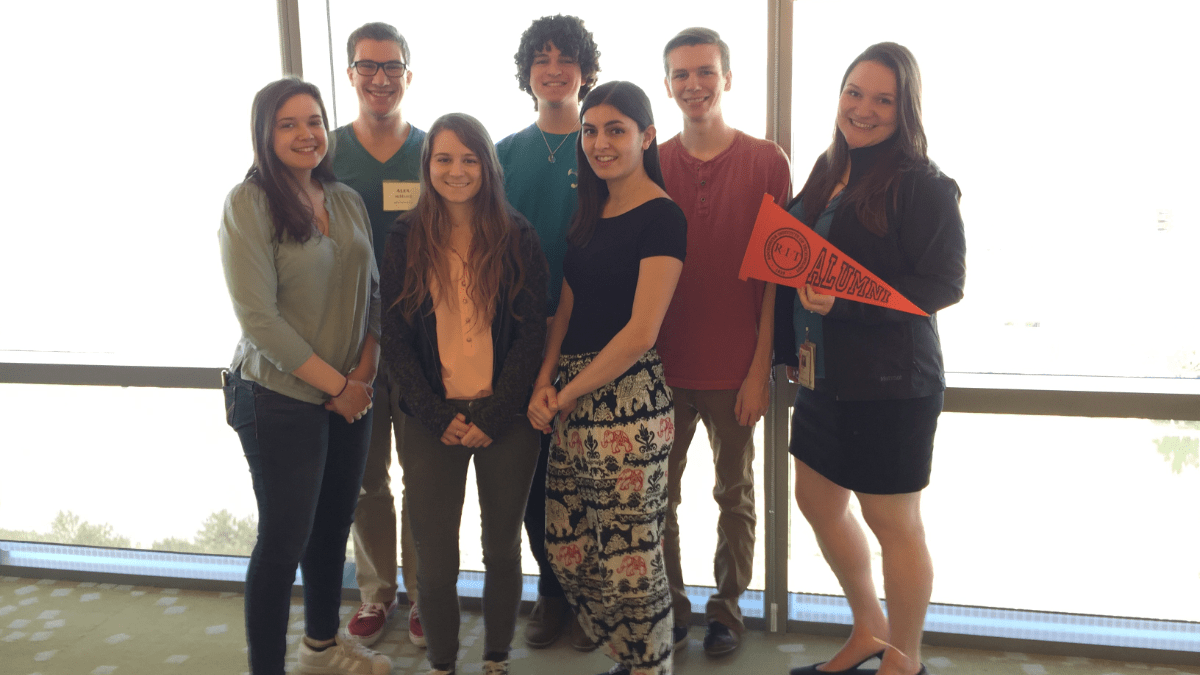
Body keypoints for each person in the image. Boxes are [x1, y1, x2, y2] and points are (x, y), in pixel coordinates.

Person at [775, 42, 966, 675]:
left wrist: (848, 304)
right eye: (854, 92)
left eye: (883, 99)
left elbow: (943, 286)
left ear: (905, 109)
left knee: (893, 520)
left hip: (893, 382)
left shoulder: (923, 184)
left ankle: (903, 662)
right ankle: (870, 629)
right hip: (823, 375)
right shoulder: (831, 170)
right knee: (817, 500)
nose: (864, 108)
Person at [219, 77, 392, 675]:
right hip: (277, 396)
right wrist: (337, 387)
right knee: (283, 541)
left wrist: (363, 375)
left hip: (350, 391)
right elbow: (258, 318)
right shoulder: (249, 203)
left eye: (314, 120)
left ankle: (321, 647)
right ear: (266, 134)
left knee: (332, 527)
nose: (305, 133)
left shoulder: (344, 199)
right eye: (288, 123)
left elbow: (374, 291)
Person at [379, 113, 549, 675]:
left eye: (469, 159)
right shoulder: (405, 236)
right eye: (444, 159)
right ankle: (444, 665)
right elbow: (395, 337)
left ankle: (496, 658)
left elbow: (531, 335)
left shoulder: (517, 235)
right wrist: (433, 413)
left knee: (502, 550)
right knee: (435, 561)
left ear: (487, 167)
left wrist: (497, 414)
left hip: (506, 421)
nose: (456, 171)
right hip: (432, 421)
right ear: (427, 168)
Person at [528, 80, 686, 675]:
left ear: (646, 137)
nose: (599, 142)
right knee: (568, 550)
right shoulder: (590, 212)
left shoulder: (662, 218)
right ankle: (627, 651)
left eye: (615, 130)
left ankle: (648, 664)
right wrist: (545, 381)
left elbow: (640, 332)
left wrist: (564, 393)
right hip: (568, 395)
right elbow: (565, 307)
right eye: (590, 131)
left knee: (631, 560)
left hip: (628, 403)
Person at [655, 27, 791, 657]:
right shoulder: (651, 161)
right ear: (667, 85)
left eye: (704, 72)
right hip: (660, 366)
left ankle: (727, 609)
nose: (693, 85)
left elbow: (774, 280)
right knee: (659, 495)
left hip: (737, 365)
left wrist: (759, 368)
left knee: (734, 494)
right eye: (681, 75)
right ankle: (673, 605)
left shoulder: (767, 161)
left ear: (727, 79)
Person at [494, 13, 602, 651]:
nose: (554, 69)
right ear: (527, 72)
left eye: (566, 58)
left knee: (587, 475)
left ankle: (591, 596)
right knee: (532, 477)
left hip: (595, 337)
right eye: (542, 58)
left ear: (586, 71)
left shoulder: (603, 147)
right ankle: (552, 593)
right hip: (522, 337)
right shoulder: (505, 154)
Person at [332, 21, 429, 648]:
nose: (380, 78)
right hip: (350, 344)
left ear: (408, 76)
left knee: (422, 473)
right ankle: (376, 593)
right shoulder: (327, 151)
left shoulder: (431, 150)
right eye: (368, 66)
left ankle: (423, 595)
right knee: (366, 476)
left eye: (391, 67)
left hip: (423, 342)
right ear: (350, 75)